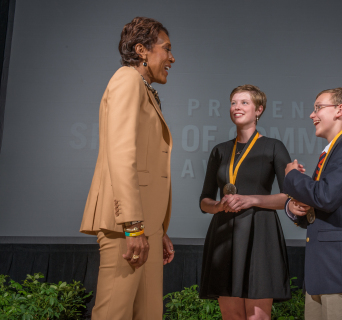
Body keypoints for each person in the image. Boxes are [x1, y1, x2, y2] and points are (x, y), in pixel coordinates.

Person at [79, 17, 176, 319]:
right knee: (113, 314)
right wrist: (134, 227)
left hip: (145, 227)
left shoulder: (144, 88)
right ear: (142, 50)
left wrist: (157, 230)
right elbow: (121, 156)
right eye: (166, 49)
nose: (172, 57)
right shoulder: (126, 80)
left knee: (149, 314)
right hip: (127, 227)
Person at [199, 85, 295, 320]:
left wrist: (251, 199)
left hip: (260, 232)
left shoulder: (273, 146)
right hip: (223, 234)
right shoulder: (219, 151)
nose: (236, 107)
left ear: (258, 110)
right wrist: (219, 206)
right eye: (233, 103)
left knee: (256, 318)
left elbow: (288, 197)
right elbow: (204, 201)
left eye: (244, 103)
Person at [283, 88, 342, 320]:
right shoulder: (331, 152)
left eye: (318, 107)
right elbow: (325, 206)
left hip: (341, 274)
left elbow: (326, 196)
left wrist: (292, 176)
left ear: (340, 110)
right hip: (322, 276)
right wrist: (296, 210)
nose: (311, 115)